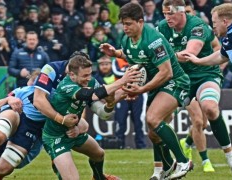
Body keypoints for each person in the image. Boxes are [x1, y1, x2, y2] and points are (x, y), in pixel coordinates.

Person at [100, 2, 193, 180]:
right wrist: (116, 53)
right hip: (157, 84)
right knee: (153, 132)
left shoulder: (153, 40)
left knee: (152, 118)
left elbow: (167, 72)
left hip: (175, 81)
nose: (124, 28)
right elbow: (134, 54)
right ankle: (163, 168)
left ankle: (182, 161)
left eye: (128, 24)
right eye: (123, 24)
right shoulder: (126, 39)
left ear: (140, 22)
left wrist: (141, 89)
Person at [157, 0, 232, 178]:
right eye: (164, 13)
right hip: (182, 79)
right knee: (156, 119)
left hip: (205, 76)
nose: (166, 17)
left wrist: (159, 54)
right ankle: (165, 167)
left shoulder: (198, 26)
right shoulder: (162, 28)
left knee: (206, 113)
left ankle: (228, 158)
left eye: (170, 13)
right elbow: (221, 54)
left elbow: (191, 53)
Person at [42, 52, 139, 180]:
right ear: (72, 75)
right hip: (56, 137)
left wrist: (120, 95)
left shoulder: (90, 81)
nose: (89, 78)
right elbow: (93, 95)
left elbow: (104, 112)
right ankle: (59, 162)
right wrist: (122, 81)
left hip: (75, 132)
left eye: (90, 74)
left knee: (98, 154)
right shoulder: (66, 86)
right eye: (85, 75)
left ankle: (99, 178)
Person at [184, 3, 232, 79]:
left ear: (224, 22)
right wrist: (198, 60)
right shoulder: (228, 39)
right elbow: (221, 56)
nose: (213, 26)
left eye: (214, 22)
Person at [112, 57, 146, 149]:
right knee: (120, 120)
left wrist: (128, 74)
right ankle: (119, 145)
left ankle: (141, 146)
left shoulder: (139, 59)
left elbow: (145, 73)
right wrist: (133, 73)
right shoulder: (117, 60)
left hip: (137, 93)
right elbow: (116, 72)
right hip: (122, 93)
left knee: (138, 121)